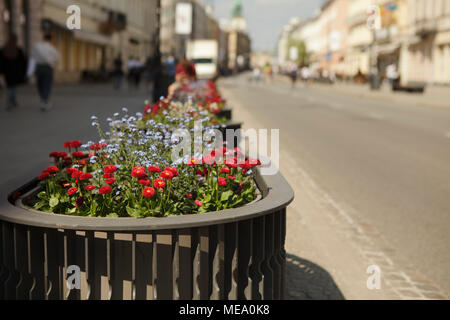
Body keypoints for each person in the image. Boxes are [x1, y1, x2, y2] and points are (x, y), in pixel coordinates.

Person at [28, 33, 60, 111]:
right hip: (48, 68)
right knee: (47, 84)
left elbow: (32, 57)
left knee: (40, 84)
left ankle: (43, 99)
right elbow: (57, 57)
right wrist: (52, 62)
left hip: (39, 67)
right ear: (50, 39)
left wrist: (30, 70)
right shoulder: (51, 48)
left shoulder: (37, 46)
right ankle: (45, 100)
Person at [0, 34, 27, 110]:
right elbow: (23, 62)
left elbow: (1, 62)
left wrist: (1, 71)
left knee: (10, 86)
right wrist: (23, 72)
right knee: (12, 86)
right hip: (16, 72)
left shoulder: (4, 50)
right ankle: (10, 100)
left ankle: (12, 99)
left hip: (7, 72)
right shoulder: (18, 50)